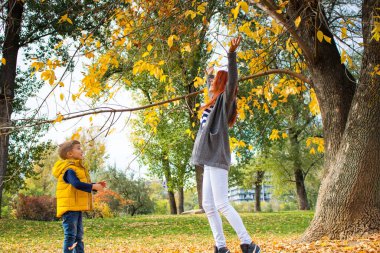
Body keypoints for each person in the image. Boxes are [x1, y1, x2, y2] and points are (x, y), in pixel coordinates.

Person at [191, 36, 261, 253]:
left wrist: (231, 55)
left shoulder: (224, 101)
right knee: (208, 206)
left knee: (221, 203)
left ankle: (247, 243)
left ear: (222, 84)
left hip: (217, 156)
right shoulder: (212, 100)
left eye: (214, 81)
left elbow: (231, 83)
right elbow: (210, 87)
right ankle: (221, 247)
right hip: (208, 158)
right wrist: (208, 73)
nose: (211, 84)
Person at [52, 140, 106, 253]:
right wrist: (93, 187)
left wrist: (95, 186)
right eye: (78, 148)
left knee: (78, 236)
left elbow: (79, 184)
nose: (81, 150)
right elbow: (76, 184)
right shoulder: (69, 169)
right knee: (71, 236)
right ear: (69, 154)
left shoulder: (76, 168)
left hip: (75, 208)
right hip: (70, 208)